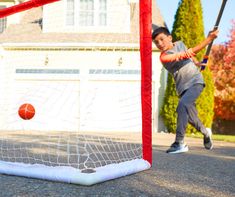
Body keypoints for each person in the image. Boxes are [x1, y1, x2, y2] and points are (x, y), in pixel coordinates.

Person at [152, 27, 218, 154]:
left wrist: (197, 63)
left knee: (182, 105)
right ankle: (206, 132)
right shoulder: (164, 57)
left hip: (195, 82)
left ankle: (179, 142)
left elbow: (189, 55)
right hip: (182, 87)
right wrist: (208, 39)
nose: (159, 43)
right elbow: (186, 54)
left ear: (170, 38)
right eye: (156, 42)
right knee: (192, 118)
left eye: (161, 39)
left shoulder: (180, 43)